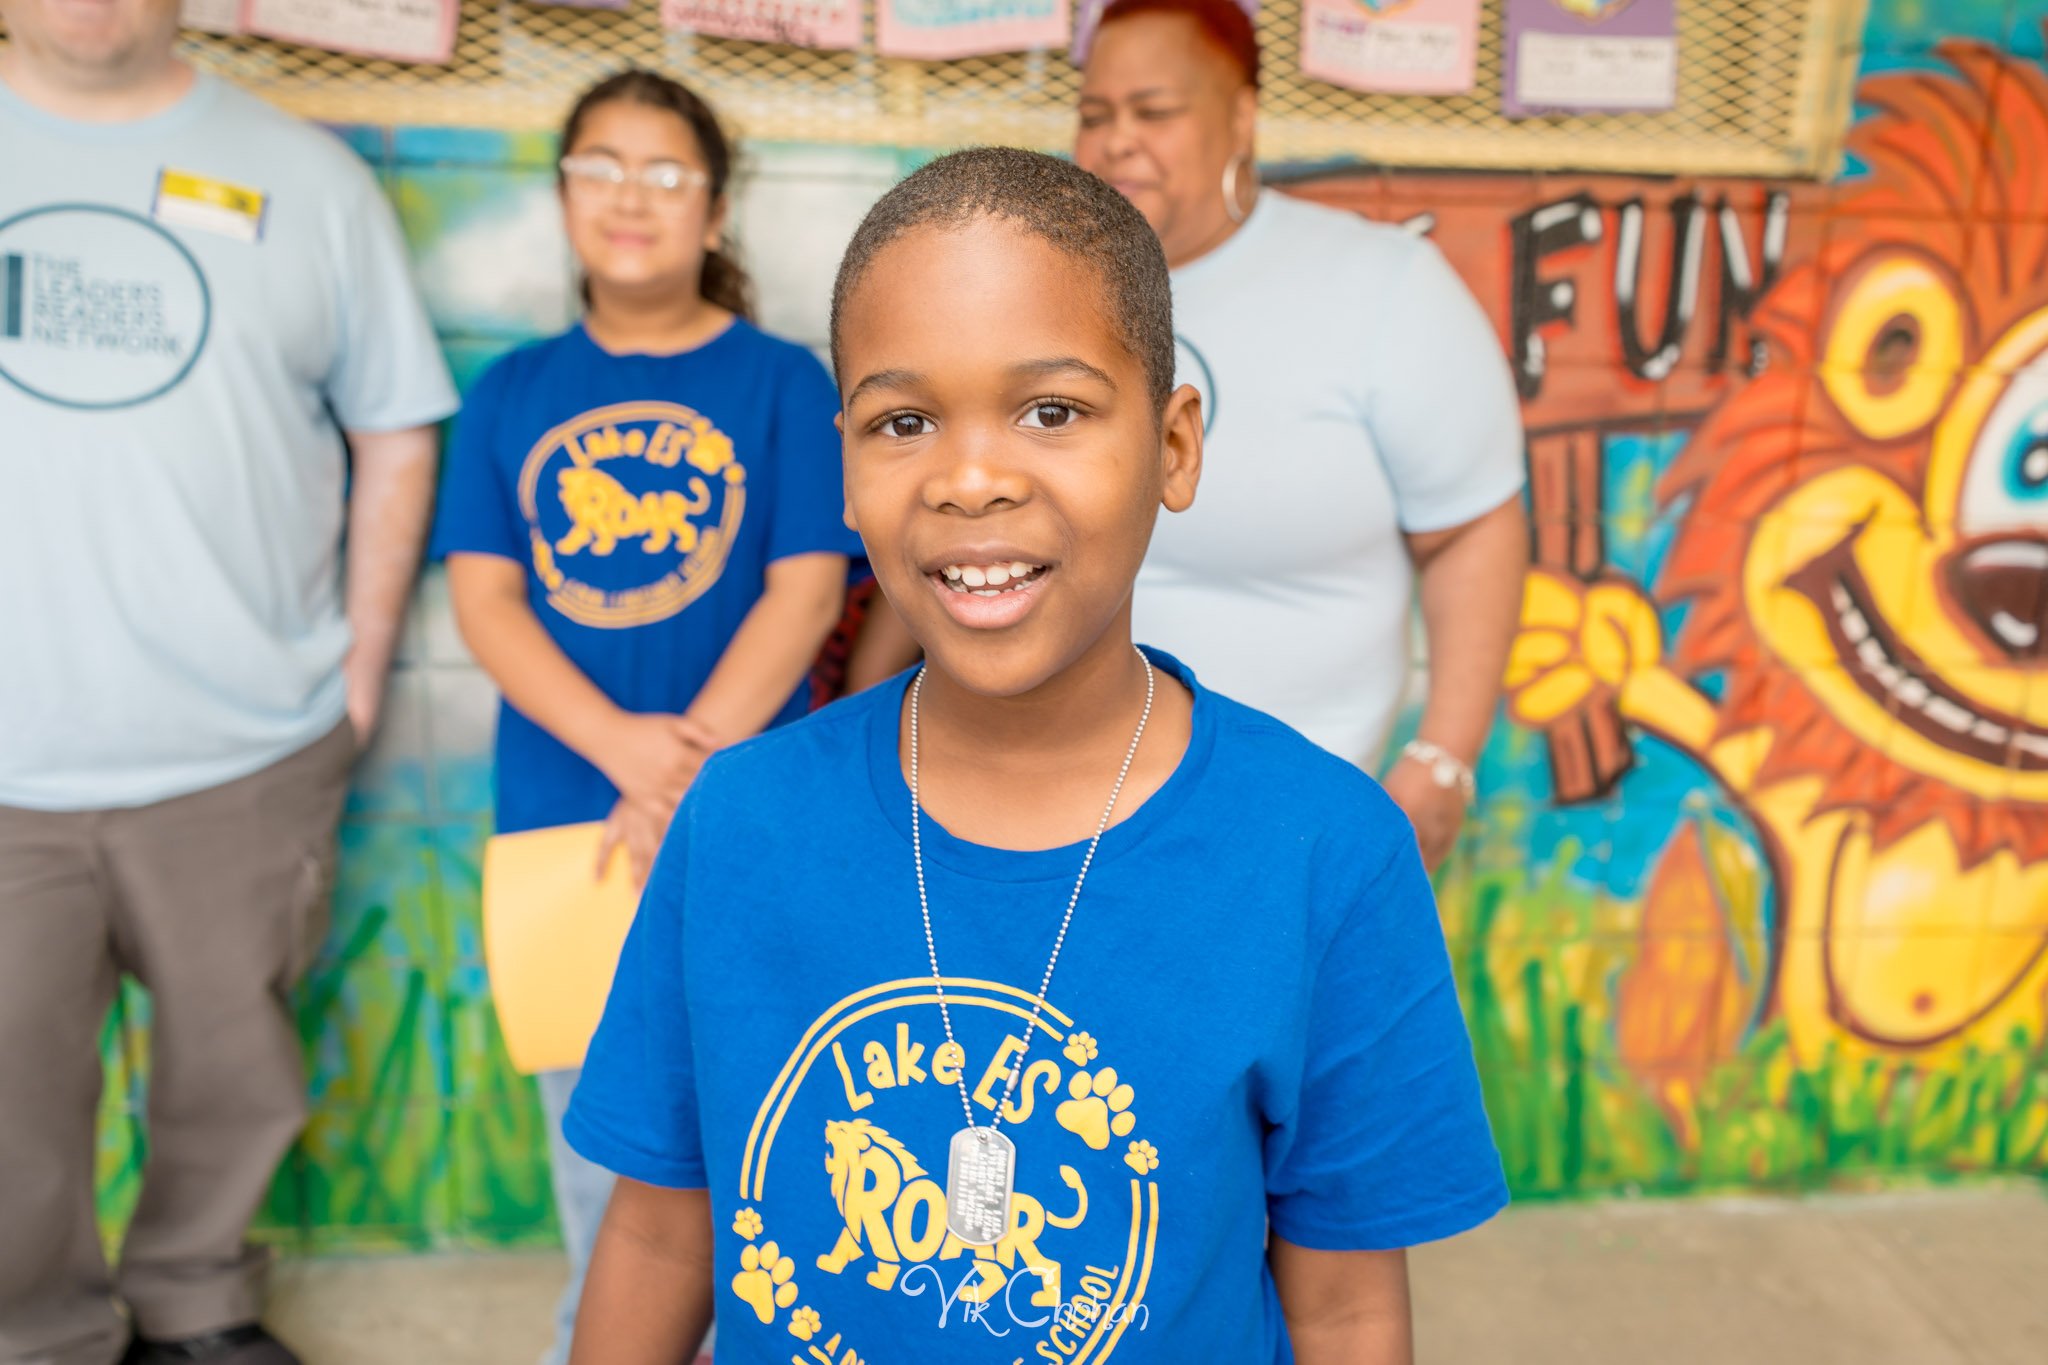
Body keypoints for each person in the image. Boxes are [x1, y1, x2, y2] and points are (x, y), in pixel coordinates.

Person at [560, 148, 1505, 1364]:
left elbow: (1344, 1305)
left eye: (1050, 411)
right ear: (843, 466)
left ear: (1172, 448)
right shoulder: (740, 822)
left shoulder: (1323, 852)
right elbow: (656, 1239)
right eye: (902, 421)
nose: (969, 480)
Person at [0, 0, 456, 1359]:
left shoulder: (308, 179)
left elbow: (395, 424)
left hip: (245, 748)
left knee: (233, 1071)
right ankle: (37, 1330)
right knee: (9, 1096)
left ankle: (198, 1301)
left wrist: (359, 666)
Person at [431, 69, 857, 1365]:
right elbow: (489, 602)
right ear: (562, 197)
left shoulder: (786, 383)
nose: (632, 198)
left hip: (747, 817)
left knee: (768, 1121)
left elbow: (806, 591)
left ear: (717, 211)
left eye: (667, 174)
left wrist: (685, 771)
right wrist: (625, 751)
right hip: (571, 825)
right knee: (599, 1155)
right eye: (600, 168)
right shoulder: (509, 392)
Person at [1063, 0, 1527, 869]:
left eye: (1155, 111)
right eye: (1095, 115)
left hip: (1298, 835)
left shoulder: (1379, 286)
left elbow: (1471, 526)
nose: (1117, 140)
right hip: (1058, 816)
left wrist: (1441, 760)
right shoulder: (1047, 288)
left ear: (1241, 115)